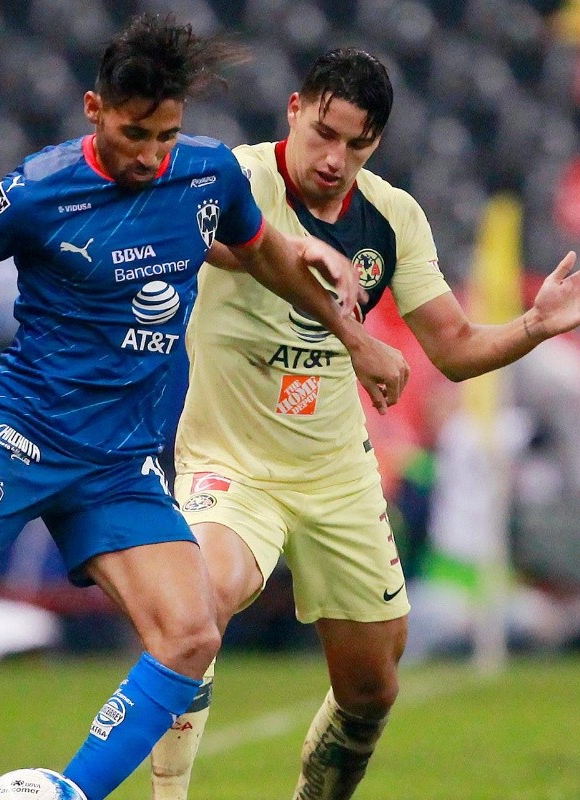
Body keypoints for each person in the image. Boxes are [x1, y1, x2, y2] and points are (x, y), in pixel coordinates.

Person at [0, 19, 397, 800]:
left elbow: (259, 250)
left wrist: (351, 330)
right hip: (21, 435)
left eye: (166, 135)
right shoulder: (37, 190)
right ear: (93, 109)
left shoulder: (206, 174)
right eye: (135, 133)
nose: (150, 155)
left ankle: (69, 793)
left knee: (189, 635)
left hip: (121, 464)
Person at [149, 47, 580, 800]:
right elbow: (187, 236)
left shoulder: (392, 217)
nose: (332, 158)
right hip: (231, 463)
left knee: (372, 690)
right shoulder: (234, 178)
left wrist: (534, 326)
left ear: (375, 143)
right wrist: (289, 251)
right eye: (322, 133)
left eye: (355, 144)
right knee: (199, 603)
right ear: (293, 109)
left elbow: (455, 348)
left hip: (337, 475)